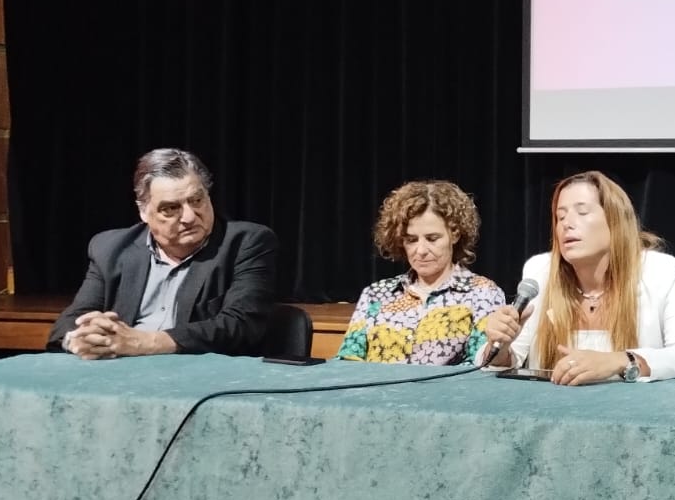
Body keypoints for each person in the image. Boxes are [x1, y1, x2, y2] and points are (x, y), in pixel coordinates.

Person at [477, 171, 675, 385]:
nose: (567, 224)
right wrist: (500, 347)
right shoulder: (541, 273)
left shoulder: (659, 272)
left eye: (582, 212)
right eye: (560, 216)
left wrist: (620, 361)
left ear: (615, 221)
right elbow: (503, 363)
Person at [47, 148, 278, 358]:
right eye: (171, 208)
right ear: (144, 212)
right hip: (120, 371)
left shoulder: (246, 243)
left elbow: (241, 325)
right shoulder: (110, 248)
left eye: (196, 200)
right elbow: (70, 322)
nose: (189, 217)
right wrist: (79, 339)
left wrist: (145, 342)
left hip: (198, 373)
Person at [334, 180, 506, 364]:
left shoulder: (482, 293)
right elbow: (347, 361)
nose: (421, 250)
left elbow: (481, 366)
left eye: (432, 238)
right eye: (411, 240)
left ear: (455, 234)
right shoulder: (375, 294)